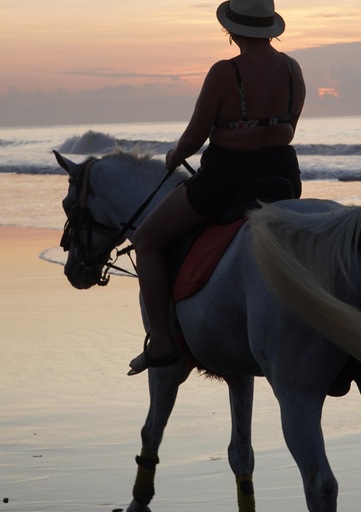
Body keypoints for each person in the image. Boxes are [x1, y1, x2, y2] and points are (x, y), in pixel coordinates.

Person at [128, 0, 306, 375]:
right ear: (270, 27)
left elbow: (194, 137)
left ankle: (161, 341)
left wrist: (175, 155)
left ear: (232, 30)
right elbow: (290, 125)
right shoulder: (293, 69)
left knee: (147, 239)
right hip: (283, 178)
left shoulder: (225, 72)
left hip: (228, 180)